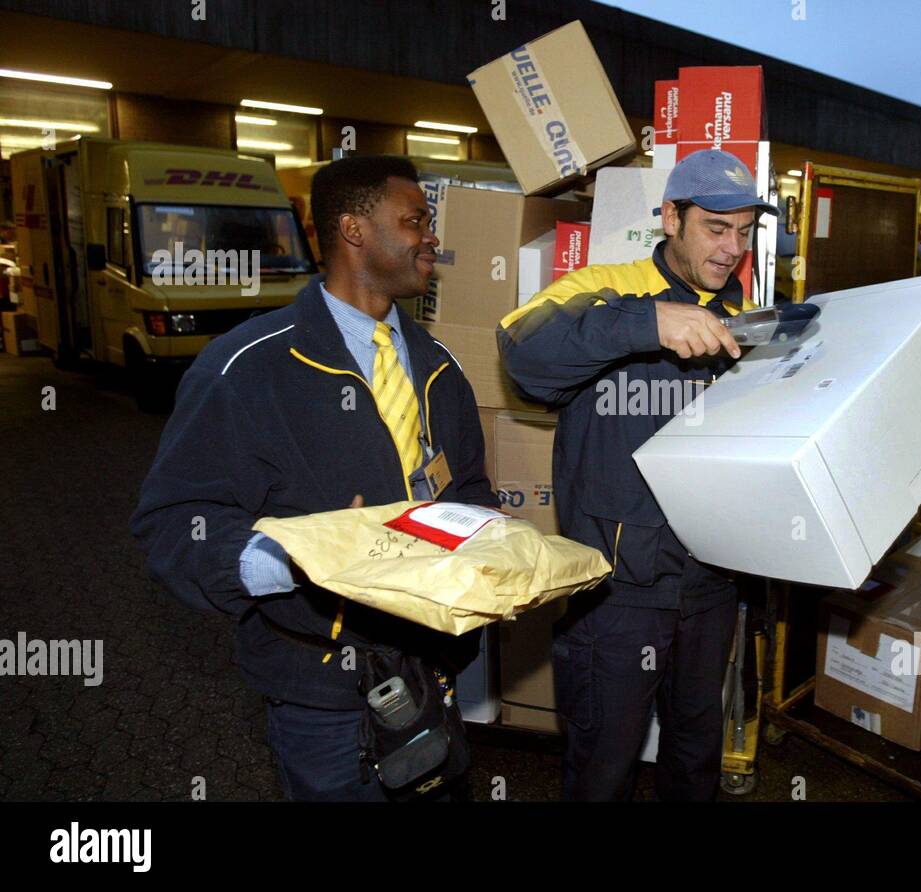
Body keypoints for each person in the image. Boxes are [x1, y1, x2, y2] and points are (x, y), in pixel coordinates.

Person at [130, 155, 495, 801]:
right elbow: (174, 521)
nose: (431, 238)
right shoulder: (247, 367)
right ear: (354, 230)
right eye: (415, 220)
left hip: (430, 667)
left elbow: (465, 489)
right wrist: (295, 559)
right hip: (321, 689)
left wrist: (496, 545)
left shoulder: (441, 367)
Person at [498, 149, 778, 801]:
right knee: (605, 762)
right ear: (671, 217)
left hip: (710, 578)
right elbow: (523, 353)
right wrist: (648, 321)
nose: (731, 246)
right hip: (620, 591)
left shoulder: (746, 308)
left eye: (744, 231)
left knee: (694, 751)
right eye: (716, 226)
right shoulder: (607, 287)